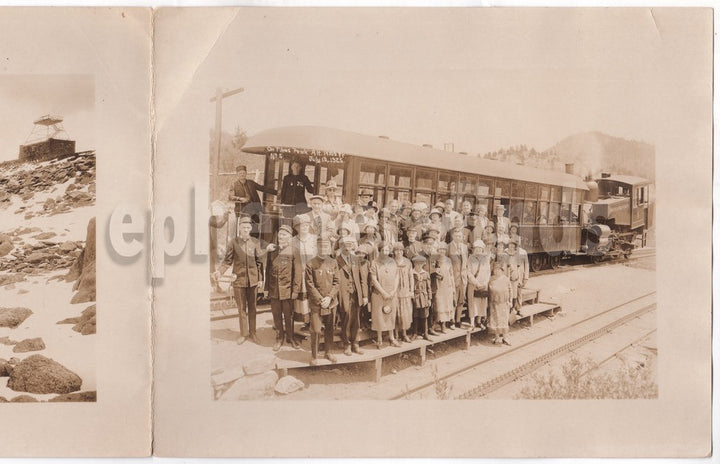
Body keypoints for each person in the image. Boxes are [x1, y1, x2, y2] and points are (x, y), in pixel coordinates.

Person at [214, 217, 276, 345]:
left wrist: (260, 279)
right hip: (239, 281)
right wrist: (219, 272)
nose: (246, 230)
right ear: (240, 229)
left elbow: (259, 262)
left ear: (251, 229)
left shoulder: (255, 242)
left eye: (248, 228)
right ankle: (244, 334)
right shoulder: (233, 243)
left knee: (252, 308)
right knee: (241, 308)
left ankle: (253, 333)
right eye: (243, 228)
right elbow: (227, 261)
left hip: (253, 281)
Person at [305, 238, 340, 365]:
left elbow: (337, 283)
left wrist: (330, 297)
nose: (324, 249)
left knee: (330, 328)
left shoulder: (333, 262)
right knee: (316, 329)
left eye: (327, 247)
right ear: (317, 247)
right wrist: (320, 300)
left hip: (331, 303)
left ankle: (328, 352)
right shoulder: (310, 263)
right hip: (316, 303)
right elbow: (309, 285)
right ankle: (314, 356)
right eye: (322, 247)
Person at [266, 225, 299, 350]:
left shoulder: (294, 250)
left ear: (290, 237)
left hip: (288, 290)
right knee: (276, 315)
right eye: (280, 234)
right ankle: (279, 338)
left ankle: (290, 337)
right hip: (274, 290)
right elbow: (268, 270)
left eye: (284, 234)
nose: (281, 236)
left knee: (288, 315)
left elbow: (298, 272)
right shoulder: (273, 250)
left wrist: (295, 290)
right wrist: (267, 289)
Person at [335, 235, 367, 356]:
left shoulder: (356, 259)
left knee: (356, 319)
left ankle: (355, 343)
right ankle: (347, 344)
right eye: (344, 245)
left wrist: (364, 295)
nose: (347, 247)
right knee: (346, 318)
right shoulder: (336, 260)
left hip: (356, 293)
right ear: (341, 246)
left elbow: (362, 278)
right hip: (343, 293)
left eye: (350, 245)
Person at [370, 241, 400, 348]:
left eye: (387, 250)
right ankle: (379, 339)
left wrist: (394, 290)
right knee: (379, 316)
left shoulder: (393, 261)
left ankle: (392, 338)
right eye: (382, 250)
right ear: (379, 250)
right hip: (379, 294)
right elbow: (373, 279)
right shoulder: (375, 262)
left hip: (391, 294)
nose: (385, 252)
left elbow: (397, 276)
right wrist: (383, 292)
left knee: (391, 315)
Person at [229, 164, 277, 231]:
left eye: (243, 173)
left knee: (255, 230)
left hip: (255, 210)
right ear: (237, 174)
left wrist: (277, 192)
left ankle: (254, 240)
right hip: (243, 211)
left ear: (246, 173)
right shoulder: (234, 185)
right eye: (240, 173)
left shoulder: (251, 183)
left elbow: (262, 188)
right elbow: (230, 197)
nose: (242, 174)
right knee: (245, 229)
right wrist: (240, 198)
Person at [291, 214, 317, 329]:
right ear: (297, 227)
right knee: (304, 298)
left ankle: (316, 322)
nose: (305, 228)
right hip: (300, 273)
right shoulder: (293, 241)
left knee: (314, 295)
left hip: (314, 273)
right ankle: (307, 322)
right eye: (302, 226)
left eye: (307, 225)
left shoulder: (314, 239)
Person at [467, 239, 491, 329]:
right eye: (476, 248)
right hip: (473, 285)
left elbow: (488, 272)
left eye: (480, 248)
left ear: (482, 249)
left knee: (482, 303)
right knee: (472, 303)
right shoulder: (470, 258)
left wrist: (485, 282)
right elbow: (468, 272)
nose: (478, 250)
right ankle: (472, 323)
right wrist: (476, 283)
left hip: (483, 284)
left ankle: (479, 321)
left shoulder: (486, 258)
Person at [432, 241, 456, 333]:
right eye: (440, 249)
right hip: (438, 285)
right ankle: (437, 323)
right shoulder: (434, 259)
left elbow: (451, 274)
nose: (442, 251)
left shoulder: (448, 260)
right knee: (438, 303)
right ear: (437, 250)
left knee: (446, 303)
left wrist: (452, 286)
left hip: (447, 284)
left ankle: (444, 325)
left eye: (443, 249)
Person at [393, 242, 414, 343]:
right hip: (395, 292)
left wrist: (411, 290)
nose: (399, 252)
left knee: (405, 313)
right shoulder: (391, 262)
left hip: (405, 291)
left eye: (401, 250)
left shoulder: (408, 262)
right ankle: (395, 335)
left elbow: (411, 277)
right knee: (396, 312)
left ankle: (404, 334)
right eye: (397, 250)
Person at [448, 227, 469, 328]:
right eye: (456, 236)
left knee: (461, 300)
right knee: (453, 299)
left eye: (460, 236)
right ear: (452, 236)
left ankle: (458, 320)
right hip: (453, 278)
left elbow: (466, 263)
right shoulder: (449, 247)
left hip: (463, 278)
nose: (458, 237)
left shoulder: (464, 247)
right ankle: (451, 320)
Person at [488, 262, 513, 346]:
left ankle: (505, 338)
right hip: (494, 303)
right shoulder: (491, 279)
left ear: (502, 270)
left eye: (498, 269)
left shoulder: (506, 279)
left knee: (504, 320)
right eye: (495, 269)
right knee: (496, 320)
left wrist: (510, 301)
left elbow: (510, 290)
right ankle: (497, 338)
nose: (497, 271)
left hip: (504, 303)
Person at [411, 255, 432, 341]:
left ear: (423, 264)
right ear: (414, 264)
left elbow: (429, 287)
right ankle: (415, 333)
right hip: (415, 297)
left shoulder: (425, 273)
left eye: (420, 264)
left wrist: (429, 298)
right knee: (415, 315)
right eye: (417, 264)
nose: (418, 266)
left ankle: (425, 333)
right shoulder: (411, 273)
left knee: (424, 315)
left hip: (424, 297)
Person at [355, 243, 373, 330]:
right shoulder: (354, 263)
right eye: (359, 253)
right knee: (359, 308)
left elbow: (369, 276)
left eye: (363, 253)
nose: (361, 255)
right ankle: (359, 323)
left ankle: (366, 322)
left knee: (366, 307)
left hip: (366, 287)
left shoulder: (367, 263)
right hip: (358, 288)